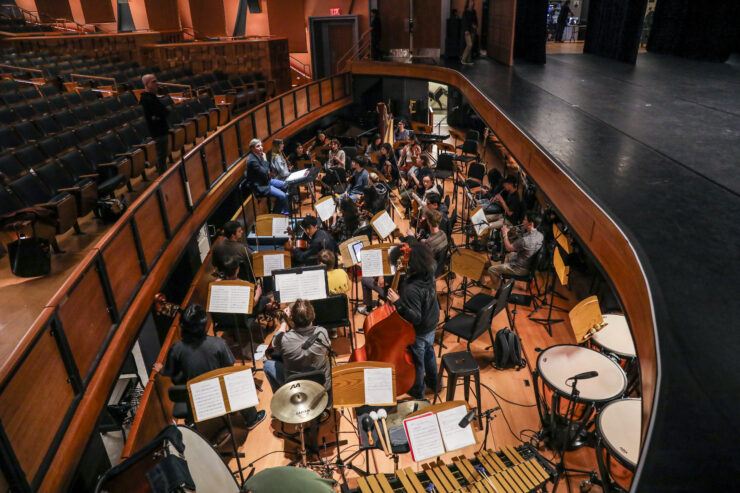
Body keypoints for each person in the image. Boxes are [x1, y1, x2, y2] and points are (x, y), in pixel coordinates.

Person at [154, 304, 266, 429]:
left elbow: (169, 371)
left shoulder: (177, 348)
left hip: (197, 400)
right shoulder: (218, 343)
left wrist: (160, 369)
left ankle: (191, 422)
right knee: (238, 378)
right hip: (219, 396)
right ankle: (252, 418)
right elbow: (230, 367)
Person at [386, 241, 440, 399]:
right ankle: (434, 381)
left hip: (421, 328)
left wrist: (398, 302)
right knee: (430, 351)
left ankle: (418, 391)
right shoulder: (430, 267)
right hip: (433, 318)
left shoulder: (410, 289)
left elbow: (415, 318)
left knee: (418, 359)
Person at [263, 299, 330, 392]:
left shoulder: (284, 340)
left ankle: (283, 398)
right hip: (320, 386)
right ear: (313, 316)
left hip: (296, 389)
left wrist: (284, 321)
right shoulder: (322, 332)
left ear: (292, 319)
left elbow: (274, 343)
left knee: (267, 365)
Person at [486, 211, 544, 291]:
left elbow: (509, 248)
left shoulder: (525, 240)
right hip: (529, 264)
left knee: (491, 270)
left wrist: (505, 234)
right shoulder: (540, 236)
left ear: (531, 224)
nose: (523, 221)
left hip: (520, 269)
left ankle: (499, 292)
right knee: (510, 255)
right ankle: (502, 277)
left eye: (525, 220)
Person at [245, 138, 288, 214]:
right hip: (260, 186)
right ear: (252, 148)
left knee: (285, 185)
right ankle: (283, 213)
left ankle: (276, 212)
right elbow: (266, 172)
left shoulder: (258, 155)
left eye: (261, 145)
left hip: (266, 181)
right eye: (258, 146)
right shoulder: (252, 160)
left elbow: (266, 171)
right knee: (283, 196)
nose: (261, 148)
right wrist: (264, 159)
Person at [139, 74, 169, 173]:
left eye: (156, 81)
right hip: (157, 131)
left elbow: (164, 112)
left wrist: (160, 114)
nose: (157, 83)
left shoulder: (152, 97)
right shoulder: (147, 99)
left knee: (163, 156)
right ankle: (162, 178)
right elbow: (160, 113)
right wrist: (159, 115)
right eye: (154, 82)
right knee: (161, 157)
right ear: (147, 84)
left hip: (162, 129)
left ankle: (163, 176)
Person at [461, 0, 478, 65]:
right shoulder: (465, 12)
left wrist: (475, 25)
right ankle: (463, 59)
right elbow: (464, 22)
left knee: (471, 46)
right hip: (467, 30)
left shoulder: (474, 12)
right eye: (470, 2)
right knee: (469, 44)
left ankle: (468, 60)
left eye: (472, 2)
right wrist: (466, 30)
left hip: (473, 30)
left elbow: (476, 20)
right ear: (468, 3)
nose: (471, 3)